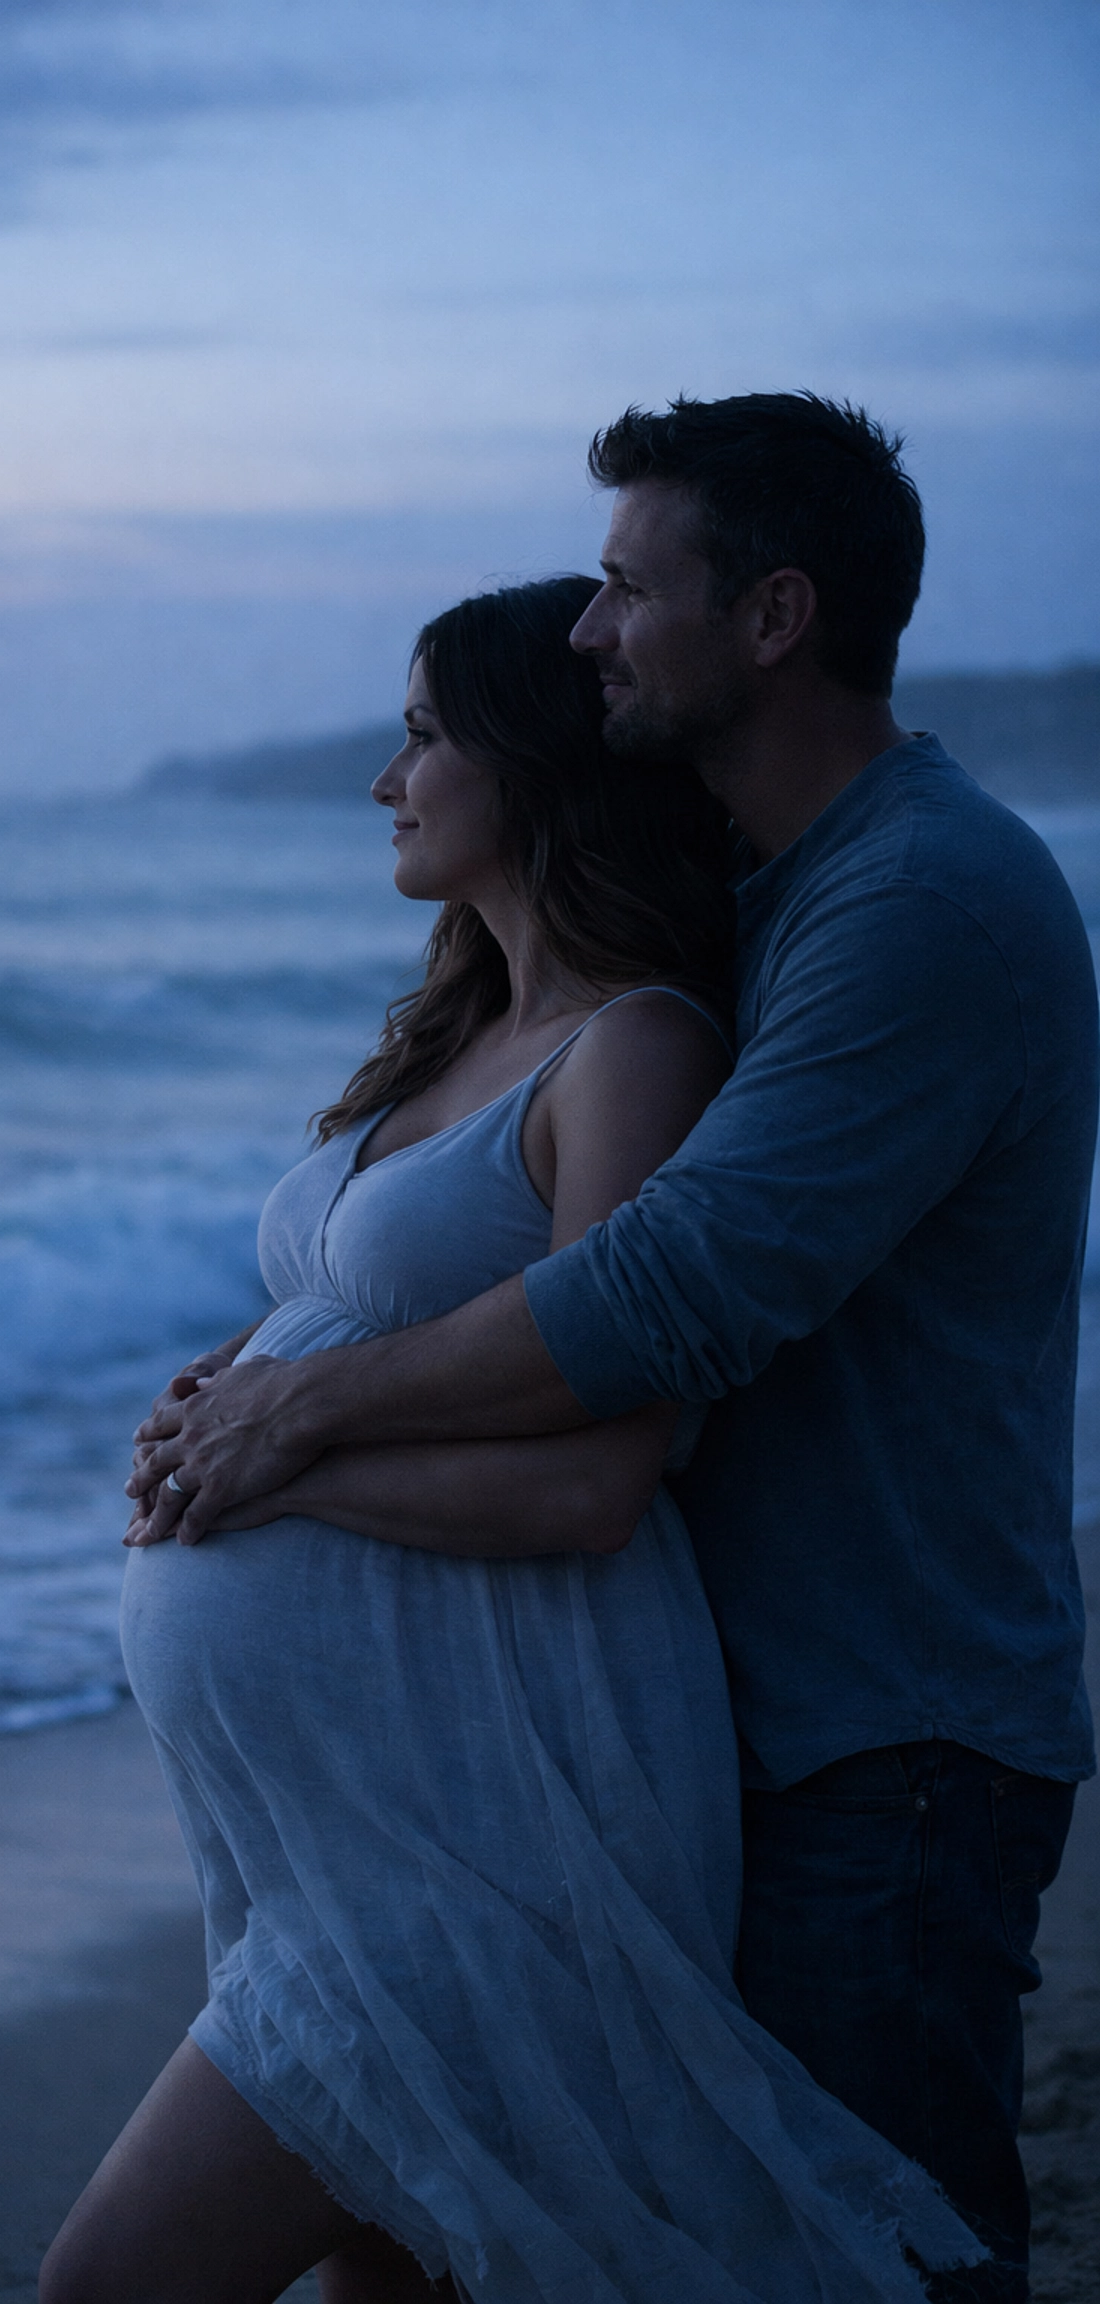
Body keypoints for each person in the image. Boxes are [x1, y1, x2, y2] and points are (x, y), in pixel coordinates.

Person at [128, 396, 1098, 2304]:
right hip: (729, 1719)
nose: (587, 636)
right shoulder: (772, 900)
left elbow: (658, 1301)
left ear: (772, 618)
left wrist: (290, 1421)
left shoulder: (917, 906)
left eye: (629, 591)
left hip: (880, 1733)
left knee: (865, 2257)